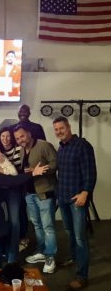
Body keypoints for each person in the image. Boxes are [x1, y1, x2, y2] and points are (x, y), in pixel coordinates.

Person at [53, 116, 96, 290]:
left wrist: (85, 192)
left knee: (80, 238)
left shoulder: (82, 146)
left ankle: (82, 275)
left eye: (61, 128)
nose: (59, 132)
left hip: (77, 200)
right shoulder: (61, 148)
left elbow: (90, 172)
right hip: (63, 198)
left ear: (69, 127)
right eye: (56, 129)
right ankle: (75, 258)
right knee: (70, 232)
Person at [14, 125, 57, 274]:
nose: (20, 140)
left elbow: (55, 163)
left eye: (22, 136)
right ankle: (41, 251)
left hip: (44, 192)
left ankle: (50, 256)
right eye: (18, 138)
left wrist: (39, 171)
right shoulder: (21, 150)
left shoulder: (44, 145)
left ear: (29, 134)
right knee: (37, 225)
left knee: (48, 226)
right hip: (29, 194)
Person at [0, 127, 29, 252]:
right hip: (2, 188)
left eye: (8, 136)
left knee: (15, 217)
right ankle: (7, 241)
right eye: (2, 136)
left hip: (16, 187)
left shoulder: (20, 149)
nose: (5, 139)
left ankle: (16, 244)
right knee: (3, 217)